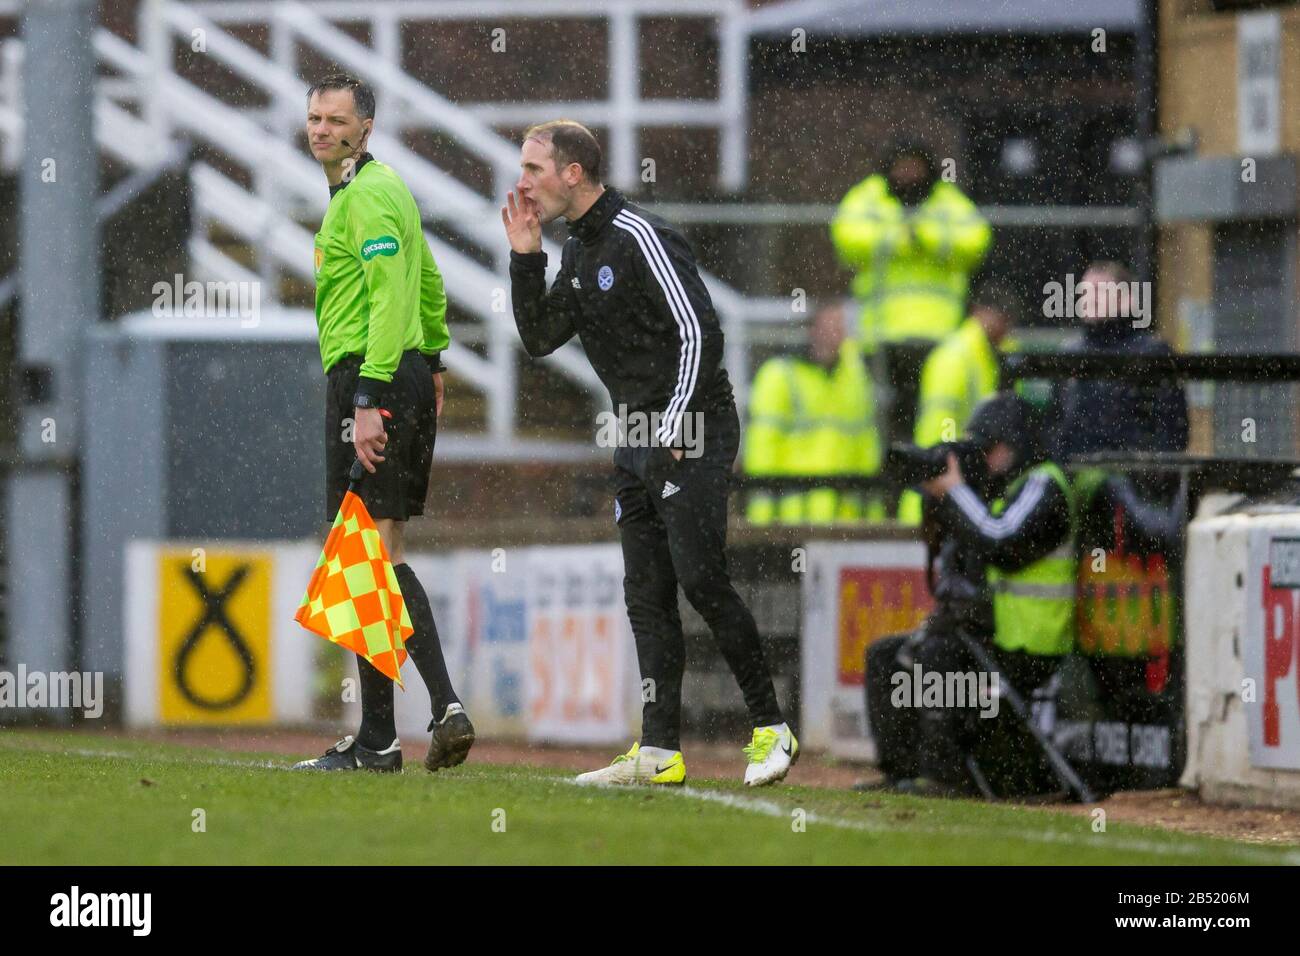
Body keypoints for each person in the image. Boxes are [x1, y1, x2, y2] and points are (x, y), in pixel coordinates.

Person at [503, 120, 796, 787]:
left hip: (692, 429)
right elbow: (541, 337)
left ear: (572, 172)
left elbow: (700, 333)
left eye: (533, 168)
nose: (523, 182)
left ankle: (772, 727)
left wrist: (672, 421)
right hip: (635, 438)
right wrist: (525, 258)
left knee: (700, 577)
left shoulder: (640, 235)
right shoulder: (576, 251)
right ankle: (660, 750)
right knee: (647, 592)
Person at [293, 74, 474, 773]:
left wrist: (370, 397)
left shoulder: (365, 195)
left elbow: (389, 291)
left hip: (368, 378)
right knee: (367, 555)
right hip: (396, 371)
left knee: (370, 556)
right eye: (313, 117)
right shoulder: (380, 190)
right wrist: (431, 359)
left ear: (364, 128)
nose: (321, 130)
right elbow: (427, 280)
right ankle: (383, 736)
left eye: (336, 120)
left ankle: (437, 710)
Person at [865, 393, 1076, 797]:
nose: (989, 458)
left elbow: (999, 537)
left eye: (995, 447)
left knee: (938, 655)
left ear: (1019, 443)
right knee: (885, 657)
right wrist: (939, 501)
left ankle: (944, 775)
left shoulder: (1043, 483)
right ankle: (900, 772)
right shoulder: (1001, 487)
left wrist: (955, 491)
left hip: (1031, 643)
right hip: (994, 634)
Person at [831, 142, 992, 448]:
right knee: (883, 419)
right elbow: (845, 236)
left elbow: (978, 240)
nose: (907, 174)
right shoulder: (869, 195)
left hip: (938, 333)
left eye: (914, 167)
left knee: (930, 408)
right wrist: (901, 239)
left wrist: (924, 237)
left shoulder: (947, 200)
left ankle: (925, 470)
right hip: (882, 334)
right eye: (902, 167)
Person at [744, 300, 883, 525]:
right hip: (792, 518)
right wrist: (764, 519)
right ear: (813, 330)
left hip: (845, 520)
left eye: (841, 327)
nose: (837, 334)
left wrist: (873, 519)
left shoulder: (855, 379)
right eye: (831, 326)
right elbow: (762, 451)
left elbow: (866, 451)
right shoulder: (779, 376)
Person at [897, 281, 1017, 524]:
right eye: (1001, 317)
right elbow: (941, 427)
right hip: (941, 489)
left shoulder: (983, 354)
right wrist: (950, 465)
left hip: (954, 487)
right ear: (979, 312)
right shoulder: (957, 357)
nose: (1005, 326)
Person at [1049, 261, 1189, 460]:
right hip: (1076, 473)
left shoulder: (1151, 351)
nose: (1089, 299)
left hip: (1132, 473)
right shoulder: (1070, 352)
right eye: (1084, 292)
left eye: (1099, 291)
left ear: (1127, 299)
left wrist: (1151, 475)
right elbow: (1056, 422)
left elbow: (1172, 428)